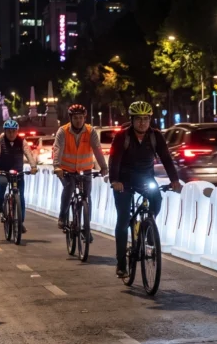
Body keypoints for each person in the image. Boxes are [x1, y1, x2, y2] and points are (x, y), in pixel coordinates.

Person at [109, 101, 182, 278]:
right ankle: (121, 264)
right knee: (123, 219)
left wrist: (174, 180)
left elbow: (166, 158)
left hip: (145, 179)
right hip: (124, 181)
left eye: (146, 119)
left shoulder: (155, 136)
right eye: (139, 119)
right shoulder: (122, 137)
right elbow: (114, 160)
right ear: (132, 120)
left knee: (157, 199)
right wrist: (115, 181)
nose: (142, 122)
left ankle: (148, 226)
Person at [53, 103, 108, 231]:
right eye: (75, 118)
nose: (78, 120)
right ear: (71, 118)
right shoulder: (63, 131)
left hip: (85, 170)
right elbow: (58, 149)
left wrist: (104, 167)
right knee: (69, 187)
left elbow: (97, 149)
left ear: (85, 118)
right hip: (66, 170)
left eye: (81, 117)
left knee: (87, 196)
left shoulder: (90, 131)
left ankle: (87, 228)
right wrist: (57, 166)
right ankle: (62, 215)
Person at [0, 119, 38, 234]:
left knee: (21, 197)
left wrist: (33, 166)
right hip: (2, 171)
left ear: (17, 131)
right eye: (9, 131)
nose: (11, 134)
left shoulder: (22, 141)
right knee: (3, 183)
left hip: (18, 172)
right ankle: (0, 204)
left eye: (13, 131)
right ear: (5, 131)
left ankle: (20, 222)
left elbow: (28, 153)